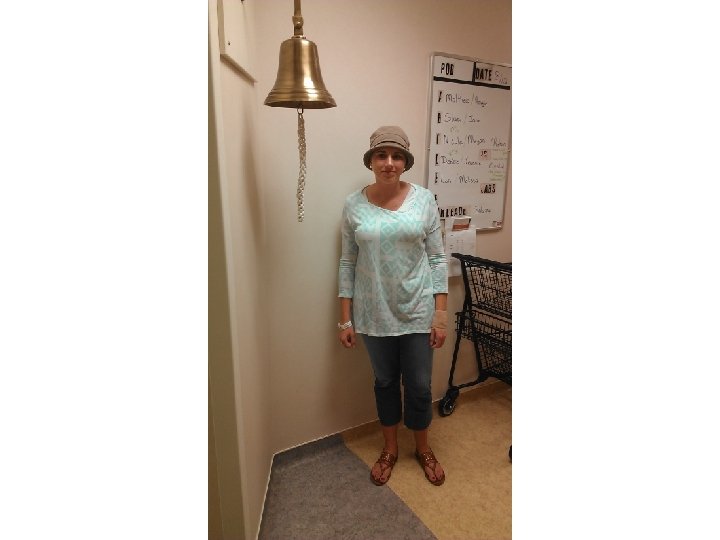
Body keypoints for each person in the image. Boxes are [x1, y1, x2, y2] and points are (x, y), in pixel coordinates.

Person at [337, 125, 448, 487]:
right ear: (371, 161)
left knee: (418, 385)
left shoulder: (424, 200)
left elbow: (437, 259)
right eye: (381, 155)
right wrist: (345, 320)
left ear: (405, 162)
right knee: (384, 382)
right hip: (373, 313)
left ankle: (423, 448)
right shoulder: (353, 205)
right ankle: (390, 448)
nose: (389, 162)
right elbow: (347, 262)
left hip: (417, 310)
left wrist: (440, 315)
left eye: (397, 156)